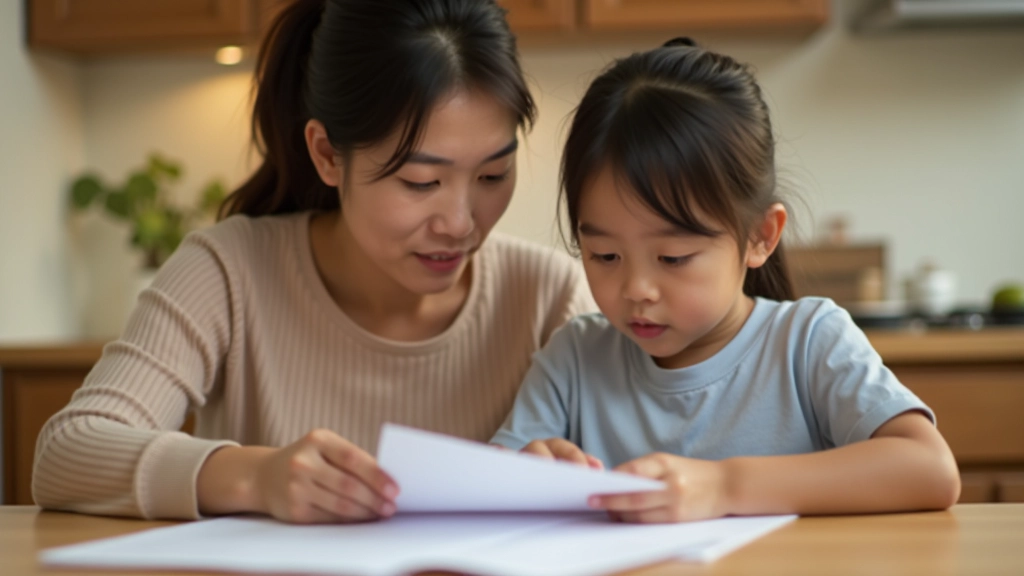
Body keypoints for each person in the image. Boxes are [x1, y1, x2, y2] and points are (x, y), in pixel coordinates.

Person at [33, 0, 593, 524]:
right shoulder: (229, 271)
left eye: (493, 175)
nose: (462, 222)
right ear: (327, 154)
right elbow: (67, 452)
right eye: (422, 182)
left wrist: (573, 475)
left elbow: (651, 480)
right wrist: (255, 476)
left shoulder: (547, 295)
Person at [490, 38, 960, 523]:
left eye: (673, 258)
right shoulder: (573, 361)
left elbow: (930, 469)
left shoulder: (808, 341)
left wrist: (723, 487)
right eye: (604, 254)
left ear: (759, 236)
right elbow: (492, 482)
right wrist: (528, 473)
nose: (636, 288)